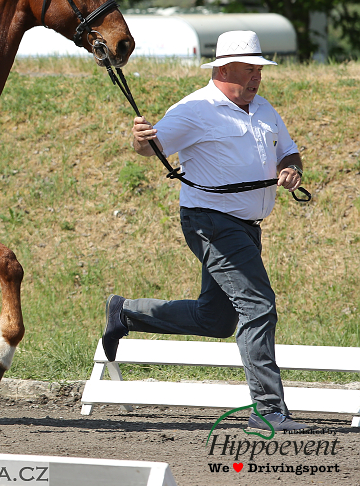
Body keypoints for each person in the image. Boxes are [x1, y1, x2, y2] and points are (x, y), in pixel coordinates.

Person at [103, 30, 308, 431]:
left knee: (216, 319)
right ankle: (268, 410)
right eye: (249, 69)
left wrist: (292, 167)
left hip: (247, 227)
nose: (257, 77)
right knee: (258, 306)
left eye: (259, 69)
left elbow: (289, 147)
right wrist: (141, 141)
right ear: (223, 68)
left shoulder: (262, 107)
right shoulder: (195, 109)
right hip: (211, 221)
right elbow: (152, 147)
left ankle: (125, 312)